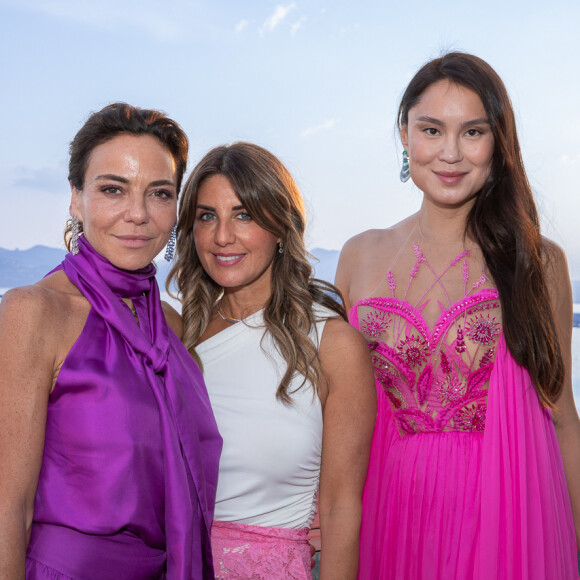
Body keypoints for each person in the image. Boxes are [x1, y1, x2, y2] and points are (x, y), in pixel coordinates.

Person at [335, 52, 580, 579]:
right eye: (431, 129)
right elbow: (331, 415)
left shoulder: (539, 265)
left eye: (472, 131)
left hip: (508, 521)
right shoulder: (359, 256)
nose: (450, 153)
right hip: (387, 514)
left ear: (498, 141)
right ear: (404, 135)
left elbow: (562, 418)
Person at [0, 103, 222, 579]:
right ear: (76, 199)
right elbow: (6, 508)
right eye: (112, 189)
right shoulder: (32, 312)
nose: (137, 214)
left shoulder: (172, 326)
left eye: (159, 193)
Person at [168, 142, 376, 579]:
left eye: (243, 214)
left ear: (281, 226)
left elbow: (341, 509)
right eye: (207, 216)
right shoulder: (174, 335)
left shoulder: (332, 344)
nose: (222, 236)